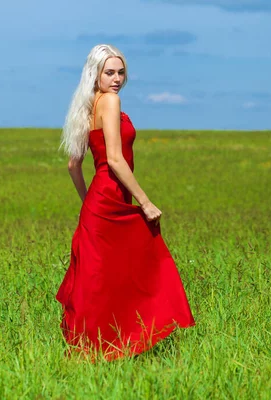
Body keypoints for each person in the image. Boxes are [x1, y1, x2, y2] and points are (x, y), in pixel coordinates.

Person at [56, 44, 195, 361]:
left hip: (100, 201)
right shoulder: (110, 102)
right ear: (96, 74)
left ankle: (96, 349)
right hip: (112, 196)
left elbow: (72, 166)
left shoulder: (86, 106)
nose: (117, 79)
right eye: (110, 72)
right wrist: (145, 202)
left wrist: (88, 204)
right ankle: (124, 342)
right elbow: (116, 160)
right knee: (146, 261)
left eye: (121, 72)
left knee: (101, 278)